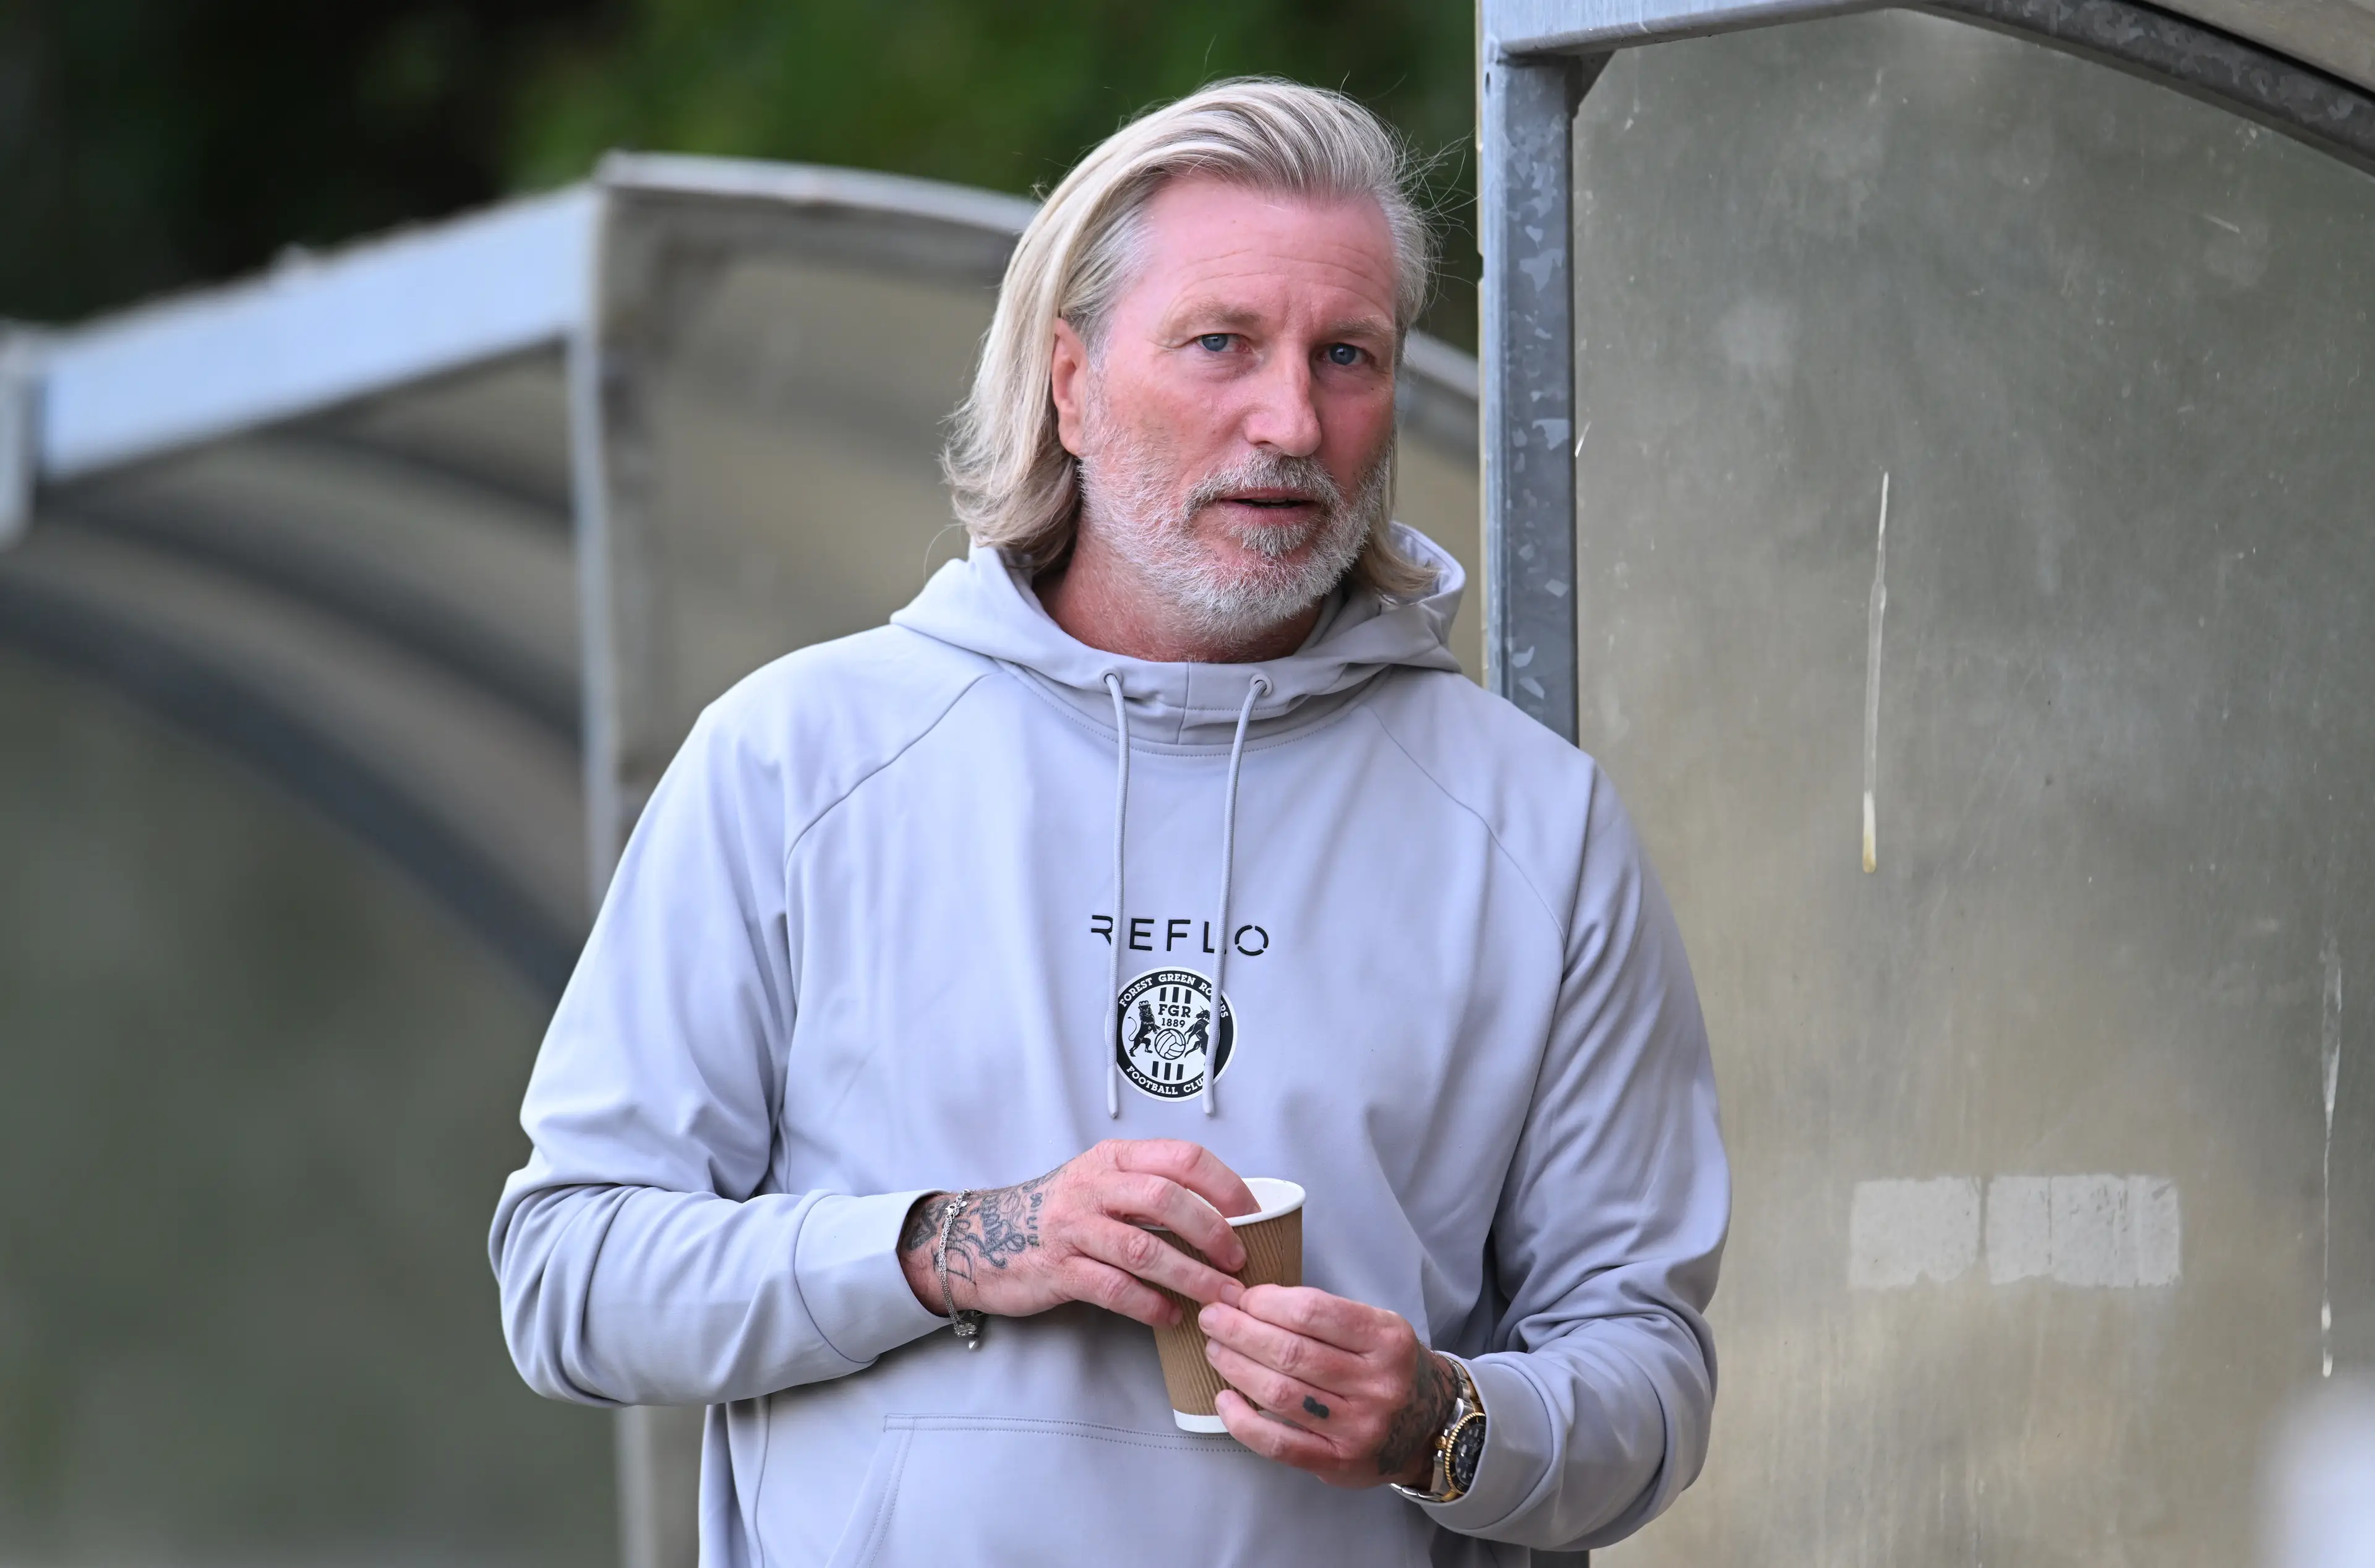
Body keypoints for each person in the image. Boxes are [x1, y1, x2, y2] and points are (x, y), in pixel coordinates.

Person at [490, 78, 1727, 1567]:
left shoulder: (1537, 824)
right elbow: (569, 1276)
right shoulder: (798, 757)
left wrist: (1447, 1424)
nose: (1291, 420)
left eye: (1347, 355)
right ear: (1068, 384)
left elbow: (1648, 1368)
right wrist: (955, 1243)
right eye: (1221, 343)